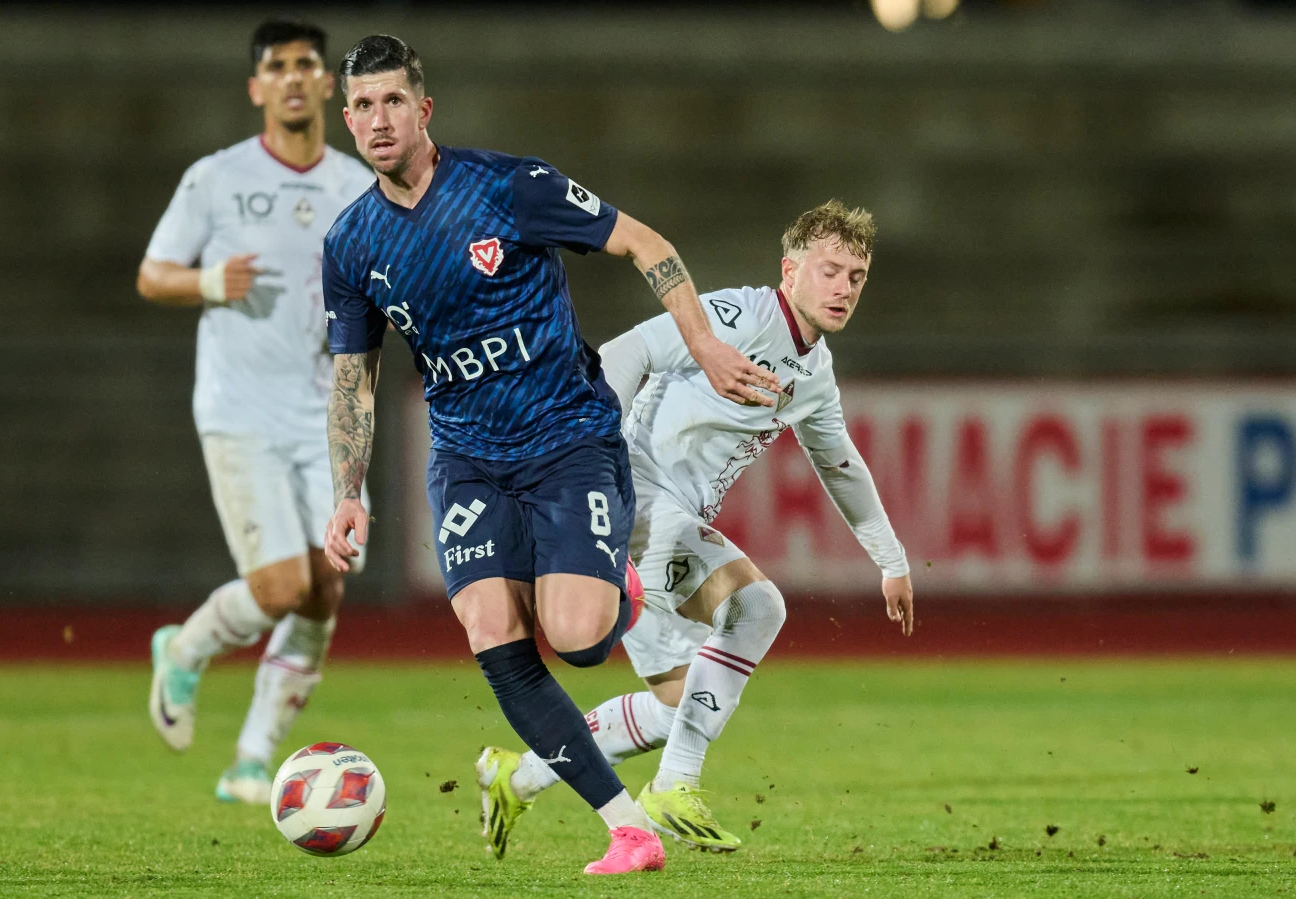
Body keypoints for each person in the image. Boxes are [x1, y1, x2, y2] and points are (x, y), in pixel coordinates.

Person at [319, 35, 780, 875]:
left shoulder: (510, 186)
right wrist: (348, 488)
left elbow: (644, 242)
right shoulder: (352, 245)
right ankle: (627, 828)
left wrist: (705, 346)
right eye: (361, 106)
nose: (378, 119)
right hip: (466, 458)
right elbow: (354, 376)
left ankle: (617, 593)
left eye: (393, 101)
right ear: (345, 119)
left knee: (576, 638)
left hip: (569, 440)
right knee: (492, 631)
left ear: (424, 111)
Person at [480, 200, 916, 853]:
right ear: (789, 269)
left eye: (857, 275)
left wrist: (892, 558)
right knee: (753, 611)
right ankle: (673, 785)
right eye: (830, 270)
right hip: (637, 502)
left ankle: (521, 774)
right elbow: (626, 353)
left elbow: (840, 463)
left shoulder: (815, 372)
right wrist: (597, 465)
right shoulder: (738, 315)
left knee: (680, 699)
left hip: (669, 514)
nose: (844, 287)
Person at [139, 20, 376, 805]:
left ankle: (251, 755)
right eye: (277, 67)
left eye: (307, 64)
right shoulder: (216, 177)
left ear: (328, 85)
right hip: (239, 409)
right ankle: (187, 646)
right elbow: (152, 274)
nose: (294, 78)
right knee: (278, 588)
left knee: (326, 585)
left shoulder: (356, 188)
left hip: (325, 416)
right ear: (257, 88)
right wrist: (209, 283)